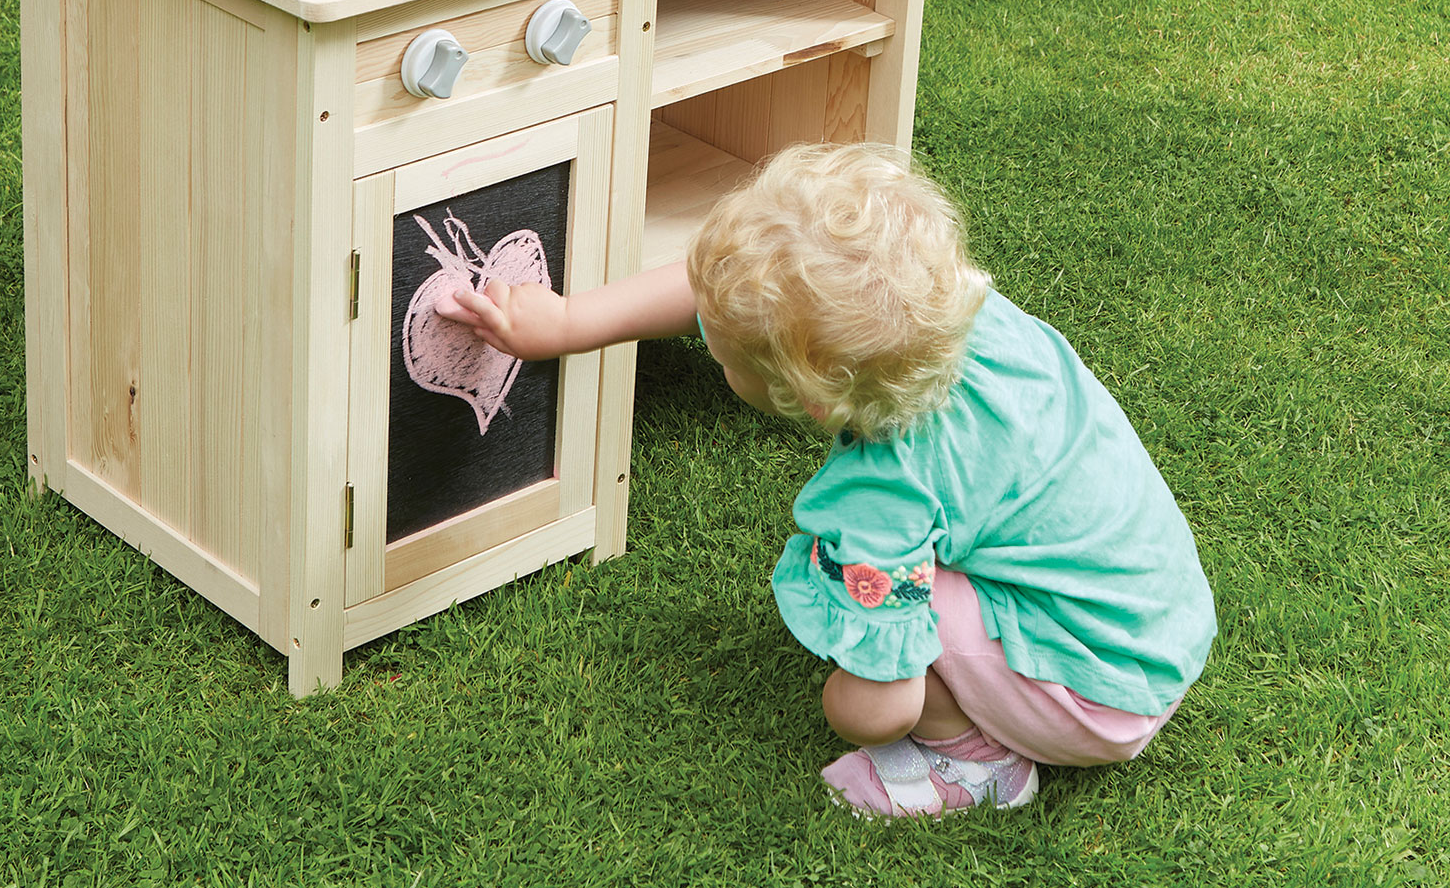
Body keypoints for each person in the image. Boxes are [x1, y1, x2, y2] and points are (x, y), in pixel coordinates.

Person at [434, 141, 1216, 818]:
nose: (710, 340)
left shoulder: (884, 496)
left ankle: (976, 758)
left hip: (1096, 694)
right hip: (1156, 625)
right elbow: (735, 297)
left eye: (726, 352)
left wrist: (854, 696)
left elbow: (879, 706)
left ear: (804, 396)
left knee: (860, 611)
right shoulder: (957, 309)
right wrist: (569, 322)